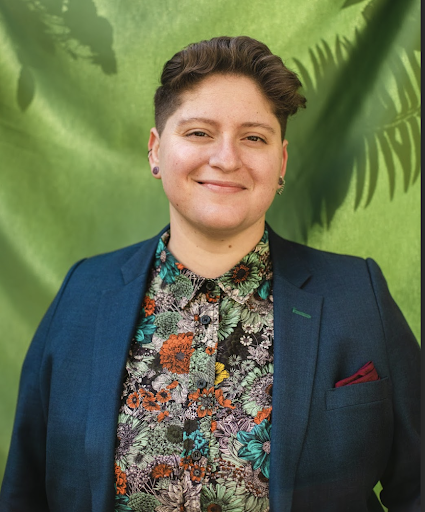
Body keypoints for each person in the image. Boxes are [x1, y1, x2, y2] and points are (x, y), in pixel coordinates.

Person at [0, 36, 420, 512]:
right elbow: (24, 493)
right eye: (199, 132)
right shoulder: (83, 292)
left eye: (254, 137)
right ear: (156, 151)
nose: (226, 158)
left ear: (280, 162)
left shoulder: (357, 297)